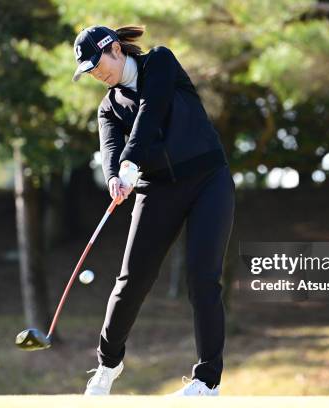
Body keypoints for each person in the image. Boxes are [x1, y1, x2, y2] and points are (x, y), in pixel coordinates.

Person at [72, 24, 235, 397]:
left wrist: (130, 161)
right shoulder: (108, 107)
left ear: (115, 48)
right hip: (157, 189)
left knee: (203, 279)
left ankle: (207, 382)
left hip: (209, 179)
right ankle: (108, 364)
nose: (97, 74)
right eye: (90, 70)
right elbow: (110, 151)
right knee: (132, 280)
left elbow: (152, 109)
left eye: (98, 64)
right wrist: (115, 178)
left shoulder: (160, 61)